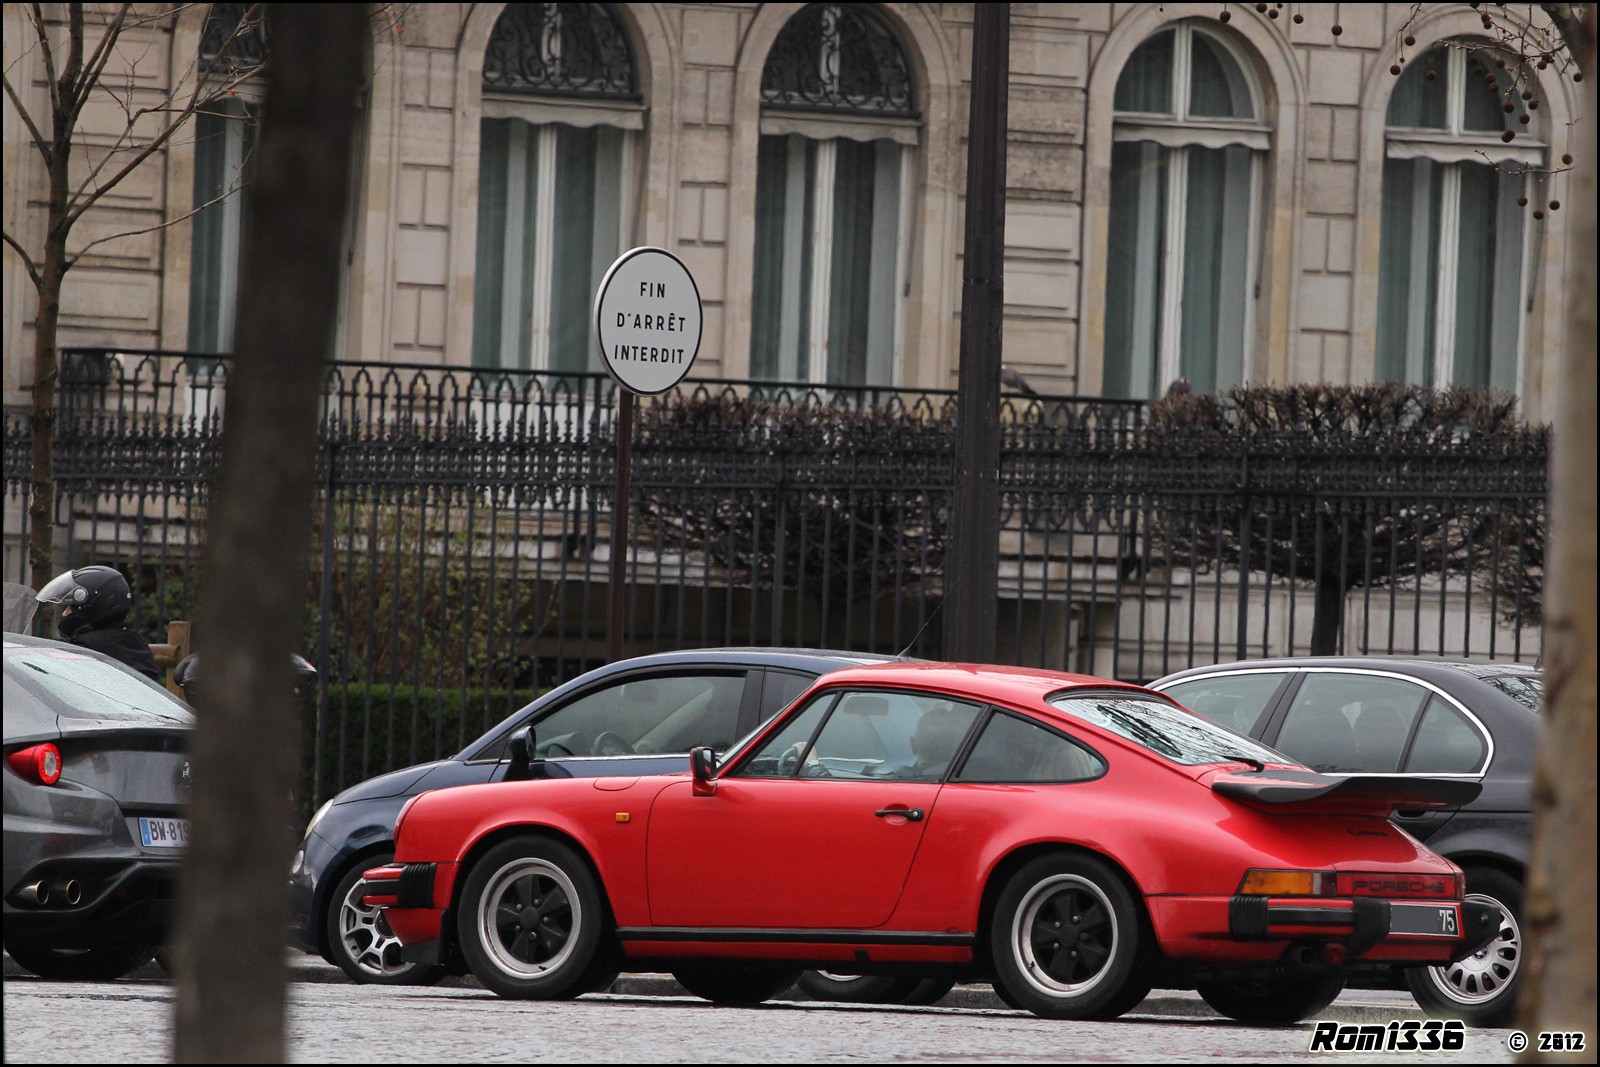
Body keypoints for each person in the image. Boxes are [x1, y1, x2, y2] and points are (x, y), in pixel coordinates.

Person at [35, 566, 160, 681]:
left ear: (95, 606)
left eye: (72, 607)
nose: (65, 614)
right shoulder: (137, 643)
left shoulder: (87, 646)